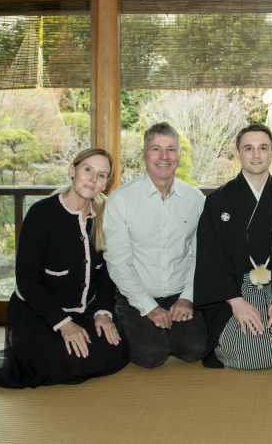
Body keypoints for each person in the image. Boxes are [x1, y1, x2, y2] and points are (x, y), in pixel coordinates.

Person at [0, 148, 129, 390]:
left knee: (116, 352)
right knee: (67, 364)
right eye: (87, 169)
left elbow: (107, 274)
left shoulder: (105, 216)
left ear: (105, 183)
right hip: (40, 313)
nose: (92, 178)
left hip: (83, 310)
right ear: (72, 170)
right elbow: (26, 280)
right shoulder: (41, 214)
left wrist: (103, 313)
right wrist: (65, 324)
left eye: (101, 175)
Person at [194, 124, 272, 369]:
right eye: (248, 148)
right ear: (237, 153)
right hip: (233, 294)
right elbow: (211, 257)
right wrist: (237, 303)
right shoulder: (217, 201)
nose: (256, 155)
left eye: (263, 148)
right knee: (256, 355)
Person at [103, 122, 207, 368]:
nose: (164, 157)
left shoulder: (195, 198)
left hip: (178, 293)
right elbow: (118, 263)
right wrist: (148, 307)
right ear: (143, 154)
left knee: (196, 350)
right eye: (156, 149)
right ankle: (135, 326)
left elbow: (201, 256)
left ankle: (167, 334)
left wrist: (187, 298)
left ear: (179, 156)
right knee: (151, 356)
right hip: (136, 293)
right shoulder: (121, 200)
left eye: (171, 149)